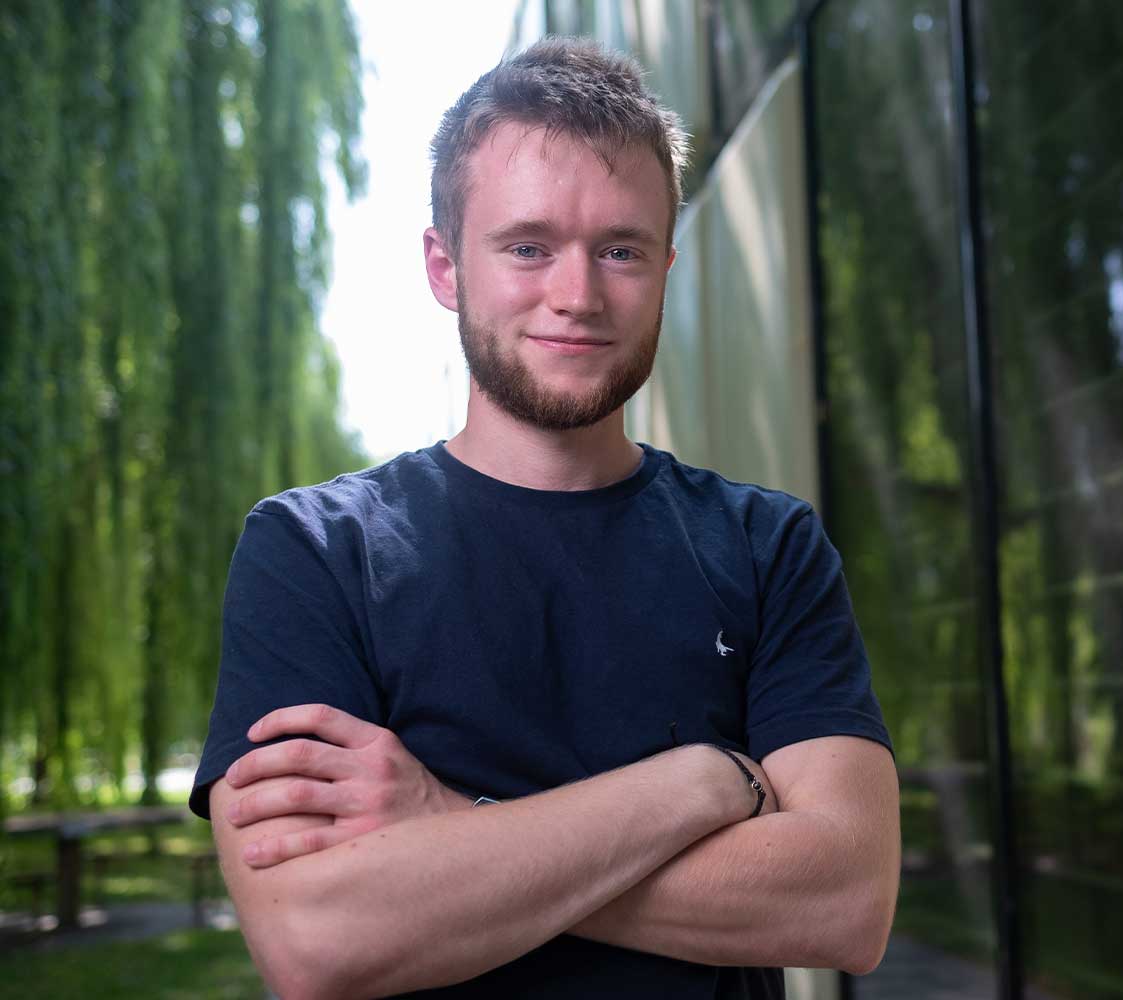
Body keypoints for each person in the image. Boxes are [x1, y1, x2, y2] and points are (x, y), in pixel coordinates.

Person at [190, 37, 899, 1000]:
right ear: (445, 268)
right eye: (528, 248)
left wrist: (447, 820)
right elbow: (318, 938)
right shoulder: (315, 551)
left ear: (665, 265)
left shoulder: (768, 546)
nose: (578, 296)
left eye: (621, 250)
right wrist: (701, 783)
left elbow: (845, 903)